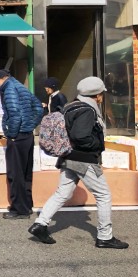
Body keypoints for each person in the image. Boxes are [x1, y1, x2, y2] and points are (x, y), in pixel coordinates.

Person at [28, 77, 129, 249]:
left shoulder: (71, 105)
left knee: (62, 193)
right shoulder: (88, 110)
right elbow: (80, 136)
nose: (102, 97)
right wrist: (97, 145)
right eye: (101, 94)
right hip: (83, 159)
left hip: (68, 157)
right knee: (104, 195)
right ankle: (105, 236)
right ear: (96, 95)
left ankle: (40, 224)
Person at [0, 69, 43, 220]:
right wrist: (30, 125)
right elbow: (39, 108)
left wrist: (12, 134)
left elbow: (14, 113)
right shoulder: (21, 86)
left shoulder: (9, 89)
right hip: (27, 136)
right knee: (26, 173)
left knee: (16, 173)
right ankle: (26, 206)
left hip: (18, 137)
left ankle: (19, 209)